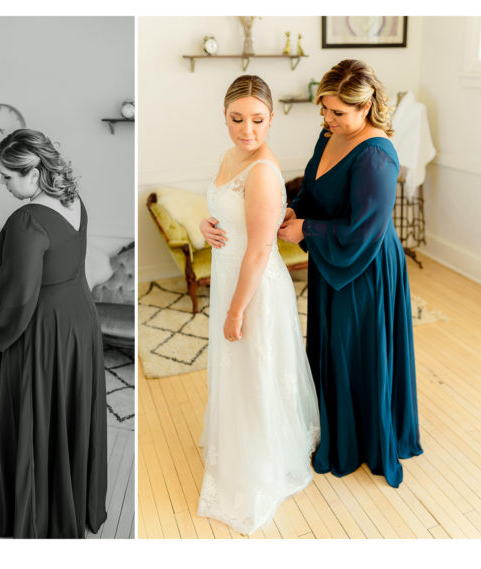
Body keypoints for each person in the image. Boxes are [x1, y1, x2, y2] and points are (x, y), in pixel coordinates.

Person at [277, 59, 422, 488]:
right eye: (324, 109)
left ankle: (360, 439)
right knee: (331, 347)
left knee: (354, 350)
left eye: (337, 112)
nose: (327, 118)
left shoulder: (377, 156)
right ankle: (332, 426)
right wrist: (295, 209)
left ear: (367, 107)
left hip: (366, 270)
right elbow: (314, 189)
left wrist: (305, 229)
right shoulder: (330, 135)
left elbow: (362, 231)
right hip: (332, 259)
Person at [0, 129, 107, 538]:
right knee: (65, 411)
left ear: (33, 171)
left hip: (42, 329)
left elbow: (19, 295)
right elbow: (53, 260)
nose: (4, 185)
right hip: (78, 321)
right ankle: (67, 503)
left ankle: (34, 510)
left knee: (32, 409)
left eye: (8, 177)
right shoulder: (72, 201)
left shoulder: (26, 218)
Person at [196, 76, 320, 534]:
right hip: (230, 273)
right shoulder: (231, 155)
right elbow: (225, 210)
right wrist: (207, 223)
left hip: (252, 288)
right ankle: (237, 441)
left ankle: (262, 456)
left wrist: (235, 310)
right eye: (236, 119)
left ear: (271, 118)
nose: (247, 130)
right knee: (238, 371)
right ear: (224, 116)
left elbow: (260, 249)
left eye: (258, 120)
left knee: (255, 371)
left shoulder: (264, 171)